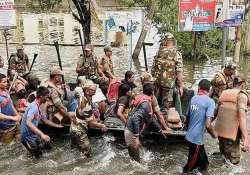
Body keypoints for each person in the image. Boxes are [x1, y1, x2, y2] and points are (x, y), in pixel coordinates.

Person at [125, 83, 166, 162]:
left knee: (137, 156)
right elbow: (135, 118)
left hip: (134, 129)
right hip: (131, 131)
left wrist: (160, 131)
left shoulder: (145, 100)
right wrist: (136, 137)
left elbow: (150, 118)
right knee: (135, 162)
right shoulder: (145, 104)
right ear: (153, 93)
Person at [183, 79, 217, 174]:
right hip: (196, 140)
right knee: (189, 169)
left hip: (190, 137)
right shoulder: (210, 102)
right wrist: (214, 134)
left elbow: (187, 118)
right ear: (210, 90)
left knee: (204, 164)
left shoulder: (193, 99)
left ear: (198, 88)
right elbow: (208, 124)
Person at [215, 74, 250, 164]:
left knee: (224, 160)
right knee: (234, 163)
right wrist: (246, 138)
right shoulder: (242, 96)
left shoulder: (224, 93)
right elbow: (242, 118)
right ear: (243, 84)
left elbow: (215, 113)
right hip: (231, 137)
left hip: (221, 135)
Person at [21, 86, 63, 158]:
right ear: (41, 97)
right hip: (27, 136)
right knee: (37, 158)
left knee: (47, 148)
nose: (48, 98)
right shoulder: (34, 107)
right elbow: (28, 122)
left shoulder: (39, 106)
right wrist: (42, 135)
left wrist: (58, 126)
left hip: (33, 134)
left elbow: (45, 120)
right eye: (46, 97)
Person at [70, 80, 107, 157]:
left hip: (73, 128)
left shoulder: (82, 97)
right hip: (79, 131)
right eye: (93, 90)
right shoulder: (86, 103)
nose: (95, 92)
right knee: (88, 153)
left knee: (74, 150)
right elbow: (91, 123)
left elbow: (86, 115)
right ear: (87, 91)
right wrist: (102, 126)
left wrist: (94, 119)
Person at [151, 33, 184, 110]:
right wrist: (181, 86)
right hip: (168, 85)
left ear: (165, 41)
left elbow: (153, 69)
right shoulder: (176, 53)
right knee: (166, 107)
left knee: (156, 104)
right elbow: (179, 71)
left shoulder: (159, 52)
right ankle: (164, 117)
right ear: (173, 41)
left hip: (157, 83)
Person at [0, 73, 21, 144]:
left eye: (6, 81)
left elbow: (11, 105)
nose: (6, 84)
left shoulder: (5, 91)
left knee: (19, 141)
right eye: (4, 82)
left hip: (15, 123)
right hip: (5, 127)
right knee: (8, 146)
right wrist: (13, 118)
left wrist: (17, 115)